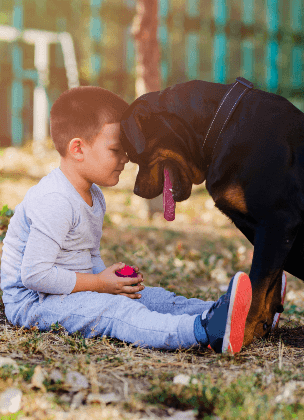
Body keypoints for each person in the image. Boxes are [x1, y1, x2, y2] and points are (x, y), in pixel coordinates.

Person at [0, 86, 253, 354]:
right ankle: (203, 330)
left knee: (151, 297)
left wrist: (112, 281)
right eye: (116, 150)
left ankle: (238, 314)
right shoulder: (55, 200)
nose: (126, 159)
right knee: (117, 310)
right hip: (34, 303)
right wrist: (100, 285)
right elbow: (35, 275)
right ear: (77, 149)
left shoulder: (93, 195)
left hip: (66, 292)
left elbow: (87, 256)